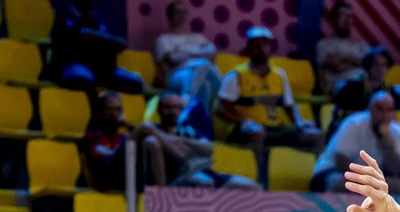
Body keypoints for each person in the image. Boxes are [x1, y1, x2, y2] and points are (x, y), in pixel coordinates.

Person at [218, 27, 319, 182]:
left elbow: (289, 105)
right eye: (257, 45)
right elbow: (221, 109)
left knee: (315, 136)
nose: (261, 49)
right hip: (247, 130)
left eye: (265, 45)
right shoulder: (237, 75)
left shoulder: (279, 75)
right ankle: (258, 181)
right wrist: (242, 122)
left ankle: (317, 182)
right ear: (249, 48)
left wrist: (300, 123)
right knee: (257, 132)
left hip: (276, 128)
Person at [312, 90, 400, 193]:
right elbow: (341, 161)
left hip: (371, 178)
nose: (384, 114)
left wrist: (387, 144)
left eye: (389, 110)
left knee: (396, 186)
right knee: (340, 183)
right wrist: (366, 179)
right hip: (333, 170)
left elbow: (396, 169)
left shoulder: (396, 131)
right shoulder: (354, 123)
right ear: (370, 109)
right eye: (379, 109)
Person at [154, 0, 220, 114]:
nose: (182, 16)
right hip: (177, 76)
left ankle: (198, 124)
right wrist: (199, 52)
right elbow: (172, 58)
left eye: (184, 13)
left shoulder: (199, 38)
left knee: (205, 85)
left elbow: (212, 56)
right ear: (170, 16)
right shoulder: (163, 39)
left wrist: (183, 53)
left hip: (203, 73)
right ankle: (230, 94)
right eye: (178, 12)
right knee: (201, 64)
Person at [335, 46, 400, 114]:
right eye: (376, 64)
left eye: (384, 65)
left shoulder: (392, 93)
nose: (380, 69)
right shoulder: (350, 88)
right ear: (368, 66)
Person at [81, 92, 132, 193]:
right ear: (100, 112)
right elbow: (98, 154)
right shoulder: (91, 136)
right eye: (109, 109)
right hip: (103, 182)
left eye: (117, 110)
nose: (114, 114)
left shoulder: (123, 138)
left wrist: (130, 127)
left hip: (124, 182)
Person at [315, 1, 369, 83]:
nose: (347, 19)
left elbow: (370, 66)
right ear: (333, 19)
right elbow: (337, 67)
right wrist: (358, 63)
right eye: (343, 15)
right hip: (340, 88)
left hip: (365, 86)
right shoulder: (324, 45)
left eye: (350, 16)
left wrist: (343, 58)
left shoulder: (361, 45)